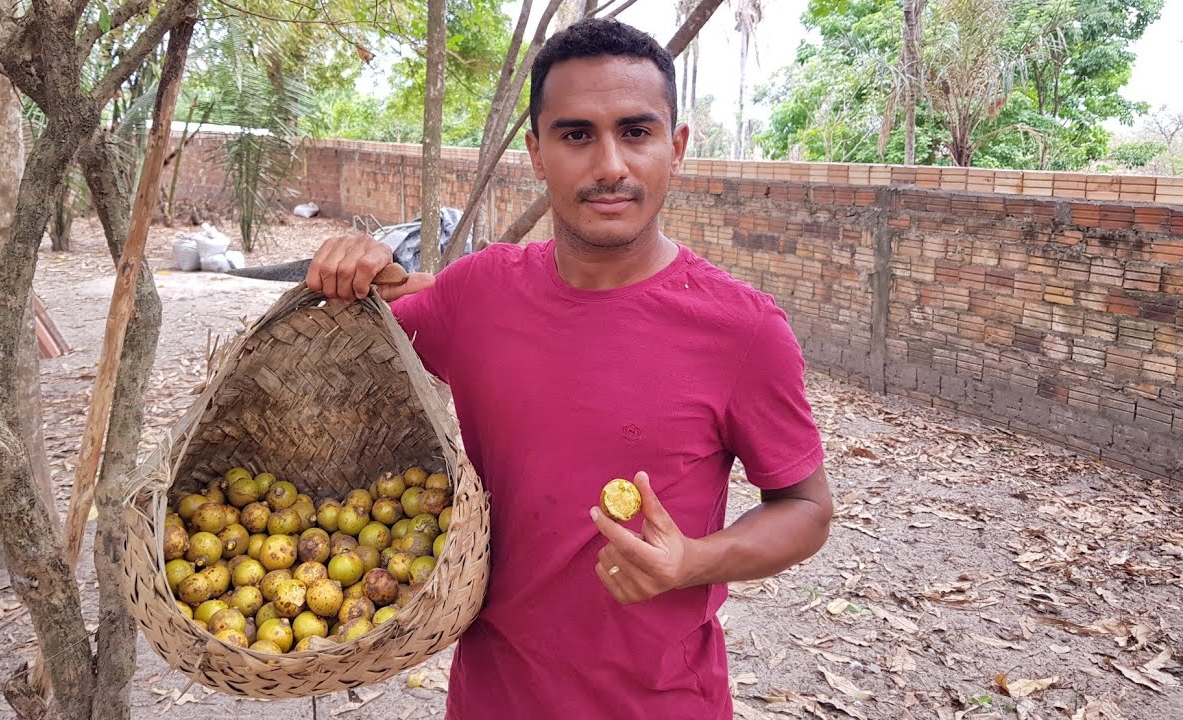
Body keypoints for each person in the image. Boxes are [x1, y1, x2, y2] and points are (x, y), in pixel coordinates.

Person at [306, 17, 833, 720]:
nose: (610, 164)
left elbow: (806, 509)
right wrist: (355, 262)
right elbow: (361, 333)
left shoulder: (742, 330)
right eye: (577, 134)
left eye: (637, 132)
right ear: (536, 152)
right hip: (491, 697)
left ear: (675, 149)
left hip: (659, 703)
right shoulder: (479, 294)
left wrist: (693, 562)